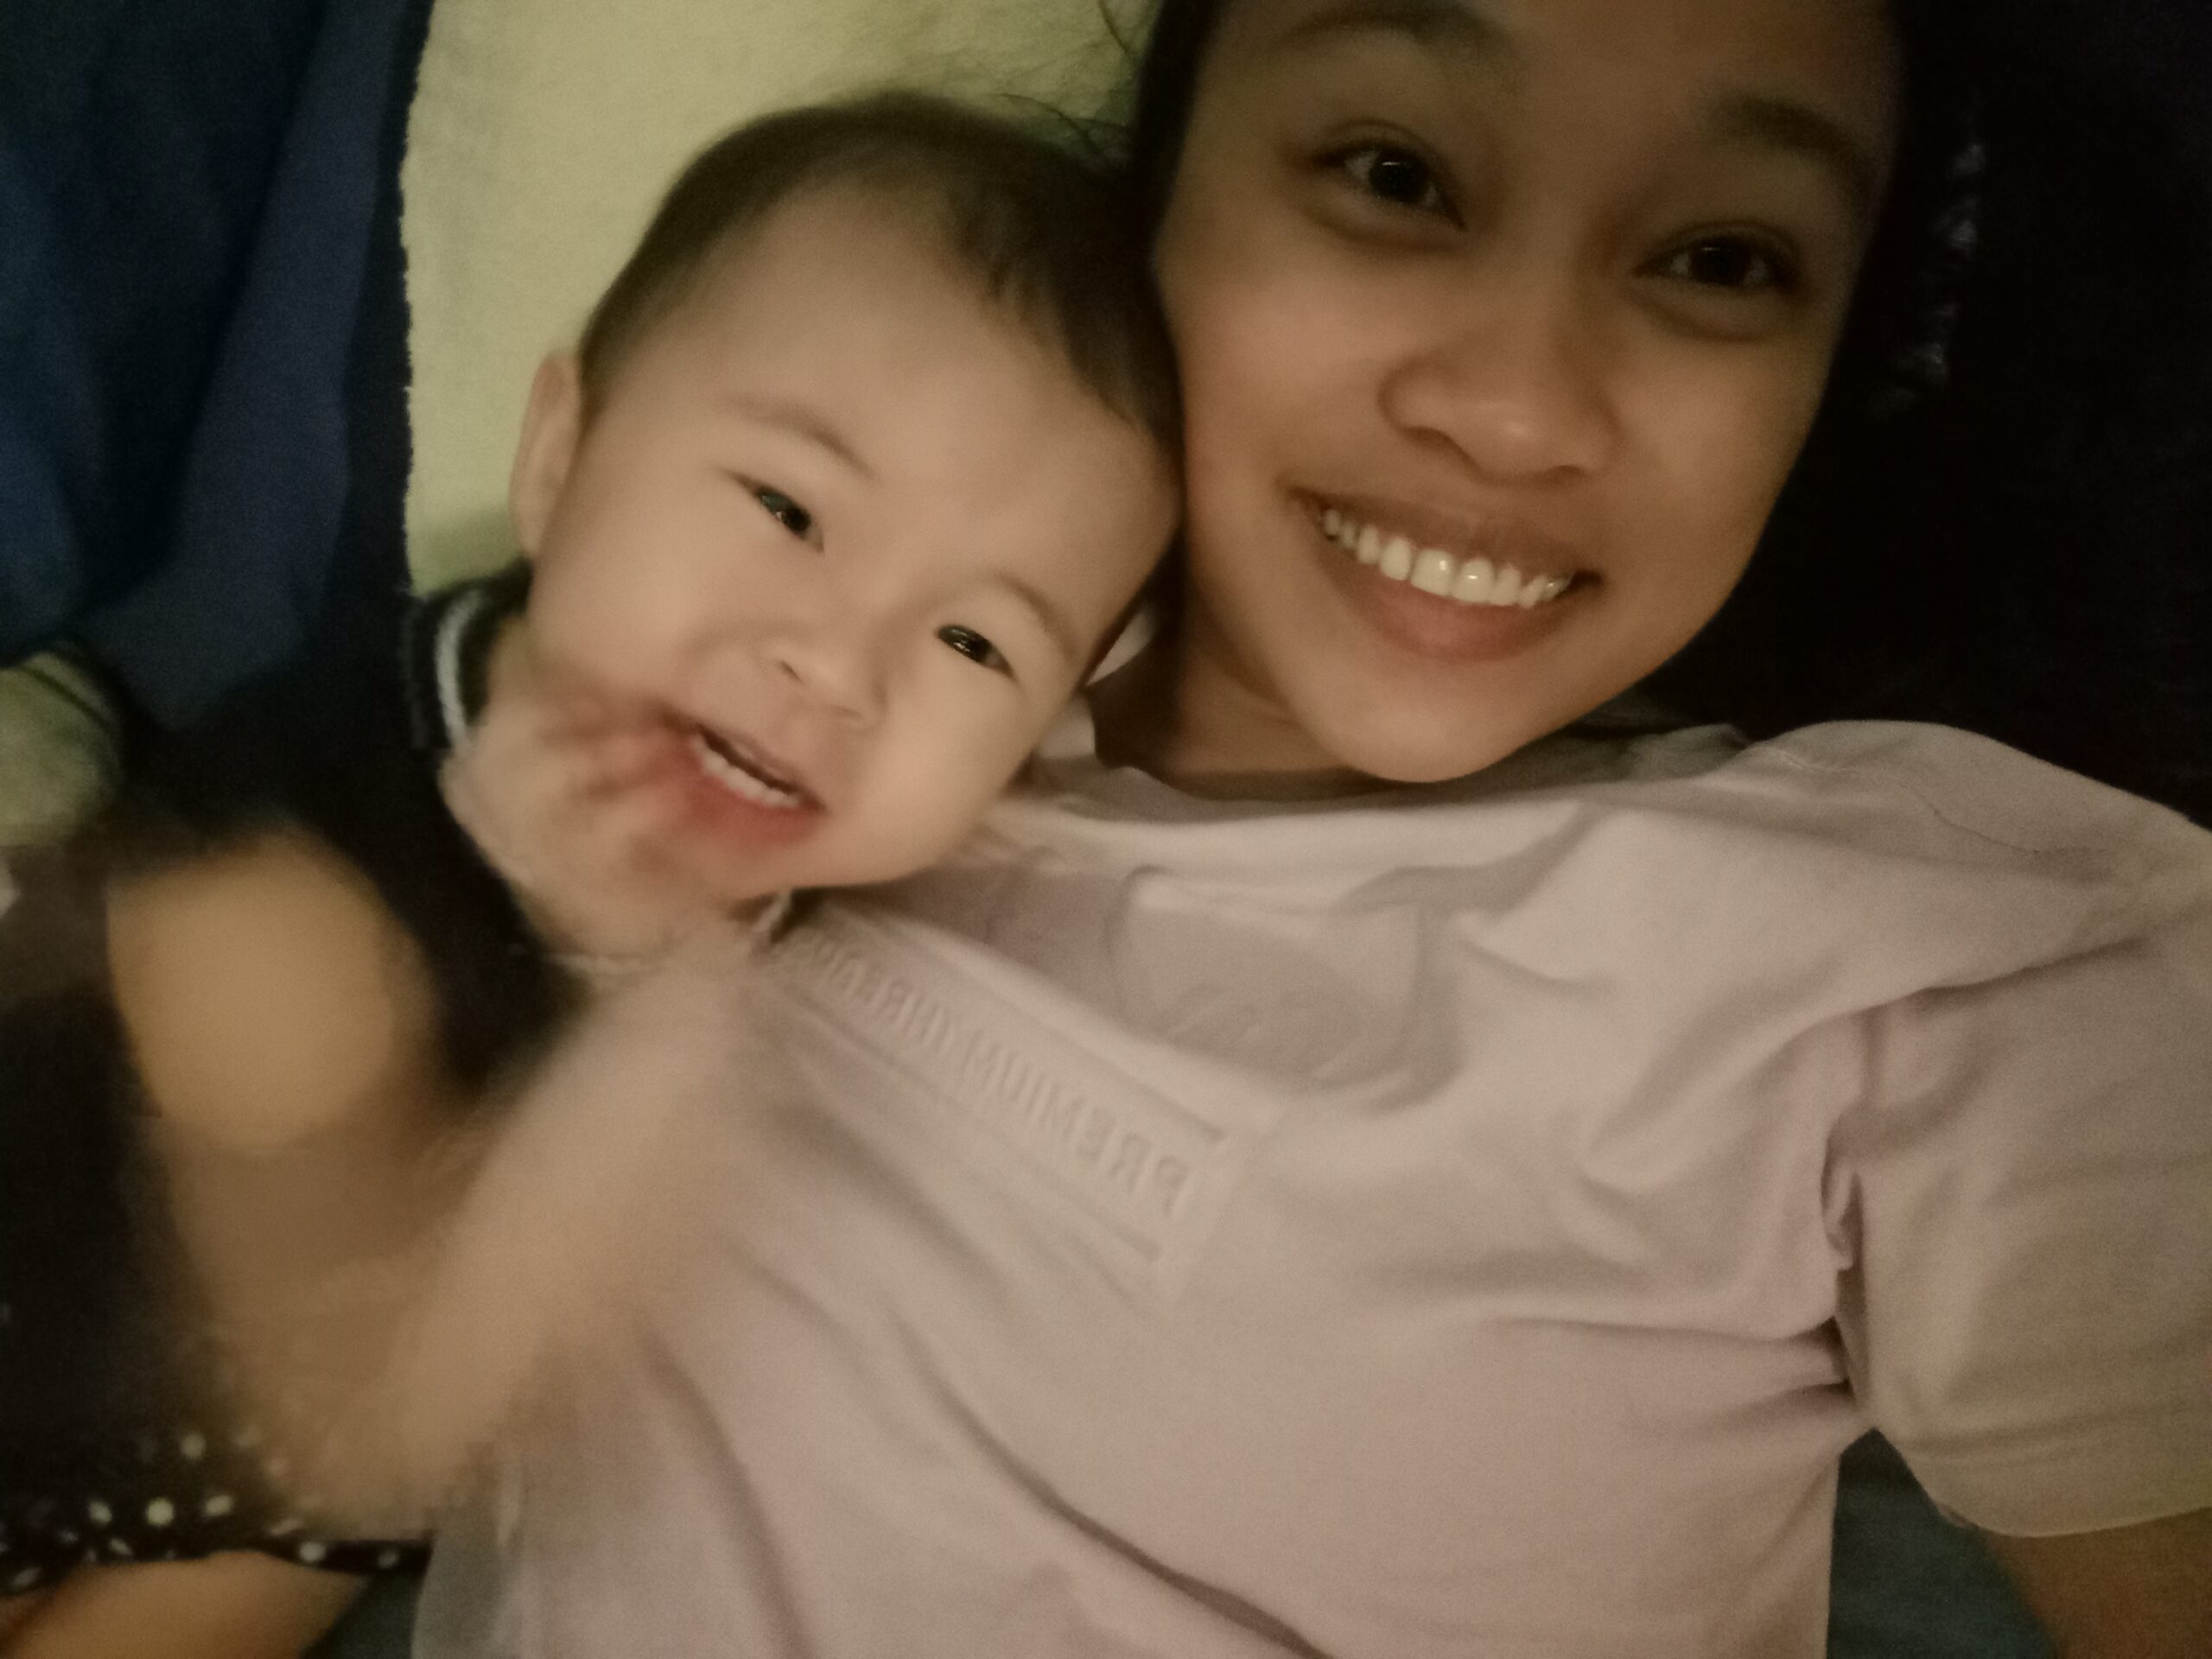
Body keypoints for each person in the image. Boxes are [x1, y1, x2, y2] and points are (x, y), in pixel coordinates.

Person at [361, 0, 2208, 1655]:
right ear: (1160, 189)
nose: (1515, 409)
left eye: (1723, 260)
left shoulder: (1923, 958)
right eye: (1393, 174)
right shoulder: (831, 695)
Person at [0, 92, 1178, 1658]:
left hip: (267, 1477)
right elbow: (349, 1391)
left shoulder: (822, 928)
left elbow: (403, 1446)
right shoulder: (305, 810)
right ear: (560, 461)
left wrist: (652, 988)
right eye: (789, 510)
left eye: (976, 641)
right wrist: (620, 1011)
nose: (838, 667)